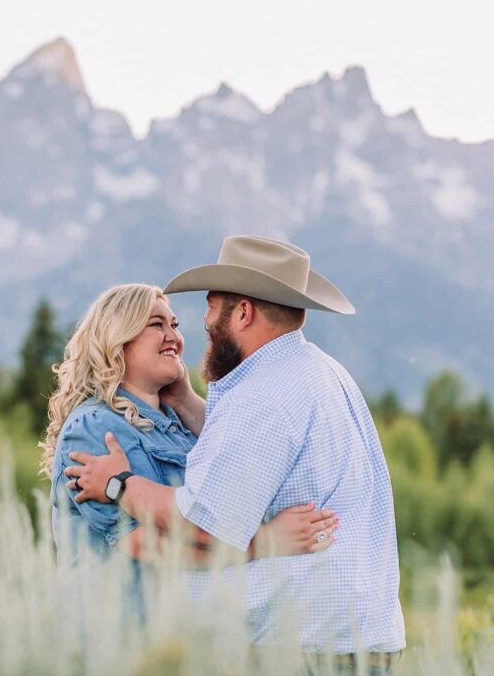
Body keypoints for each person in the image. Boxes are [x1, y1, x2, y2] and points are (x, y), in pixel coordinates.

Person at [65, 236, 406, 673]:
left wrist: (120, 484)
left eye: (211, 306)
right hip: (348, 639)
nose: (201, 323)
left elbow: (203, 526)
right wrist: (188, 402)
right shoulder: (318, 372)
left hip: (299, 648)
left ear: (242, 312)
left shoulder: (263, 395)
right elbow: (257, 461)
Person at [44, 283, 338, 567]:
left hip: (181, 616)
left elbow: (233, 475)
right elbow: (150, 546)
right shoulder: (94, 427)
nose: (173, 336)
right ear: (117, 339)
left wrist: (185, 400)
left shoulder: (175, 424)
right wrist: (265, 543)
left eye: (175, 324)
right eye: (157, 324)